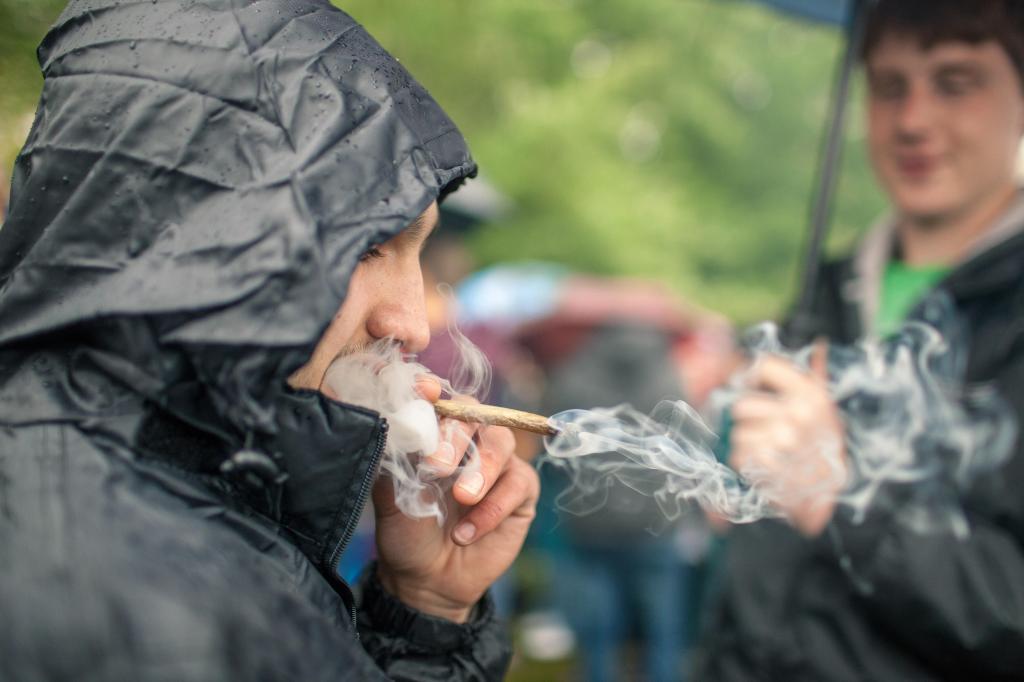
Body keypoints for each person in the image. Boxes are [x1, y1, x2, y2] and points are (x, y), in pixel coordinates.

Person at [0, 1, 538, 680]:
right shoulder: (120, 600)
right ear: (200, 231)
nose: (412, 323)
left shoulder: (196, 505)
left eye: (417, 256)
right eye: (369, 246)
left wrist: (425, 610)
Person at [696, 1, 1024, 679]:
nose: (912, 121)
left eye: (955, 82)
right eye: (888, 85)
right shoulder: (825, 294)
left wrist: (839, 500)